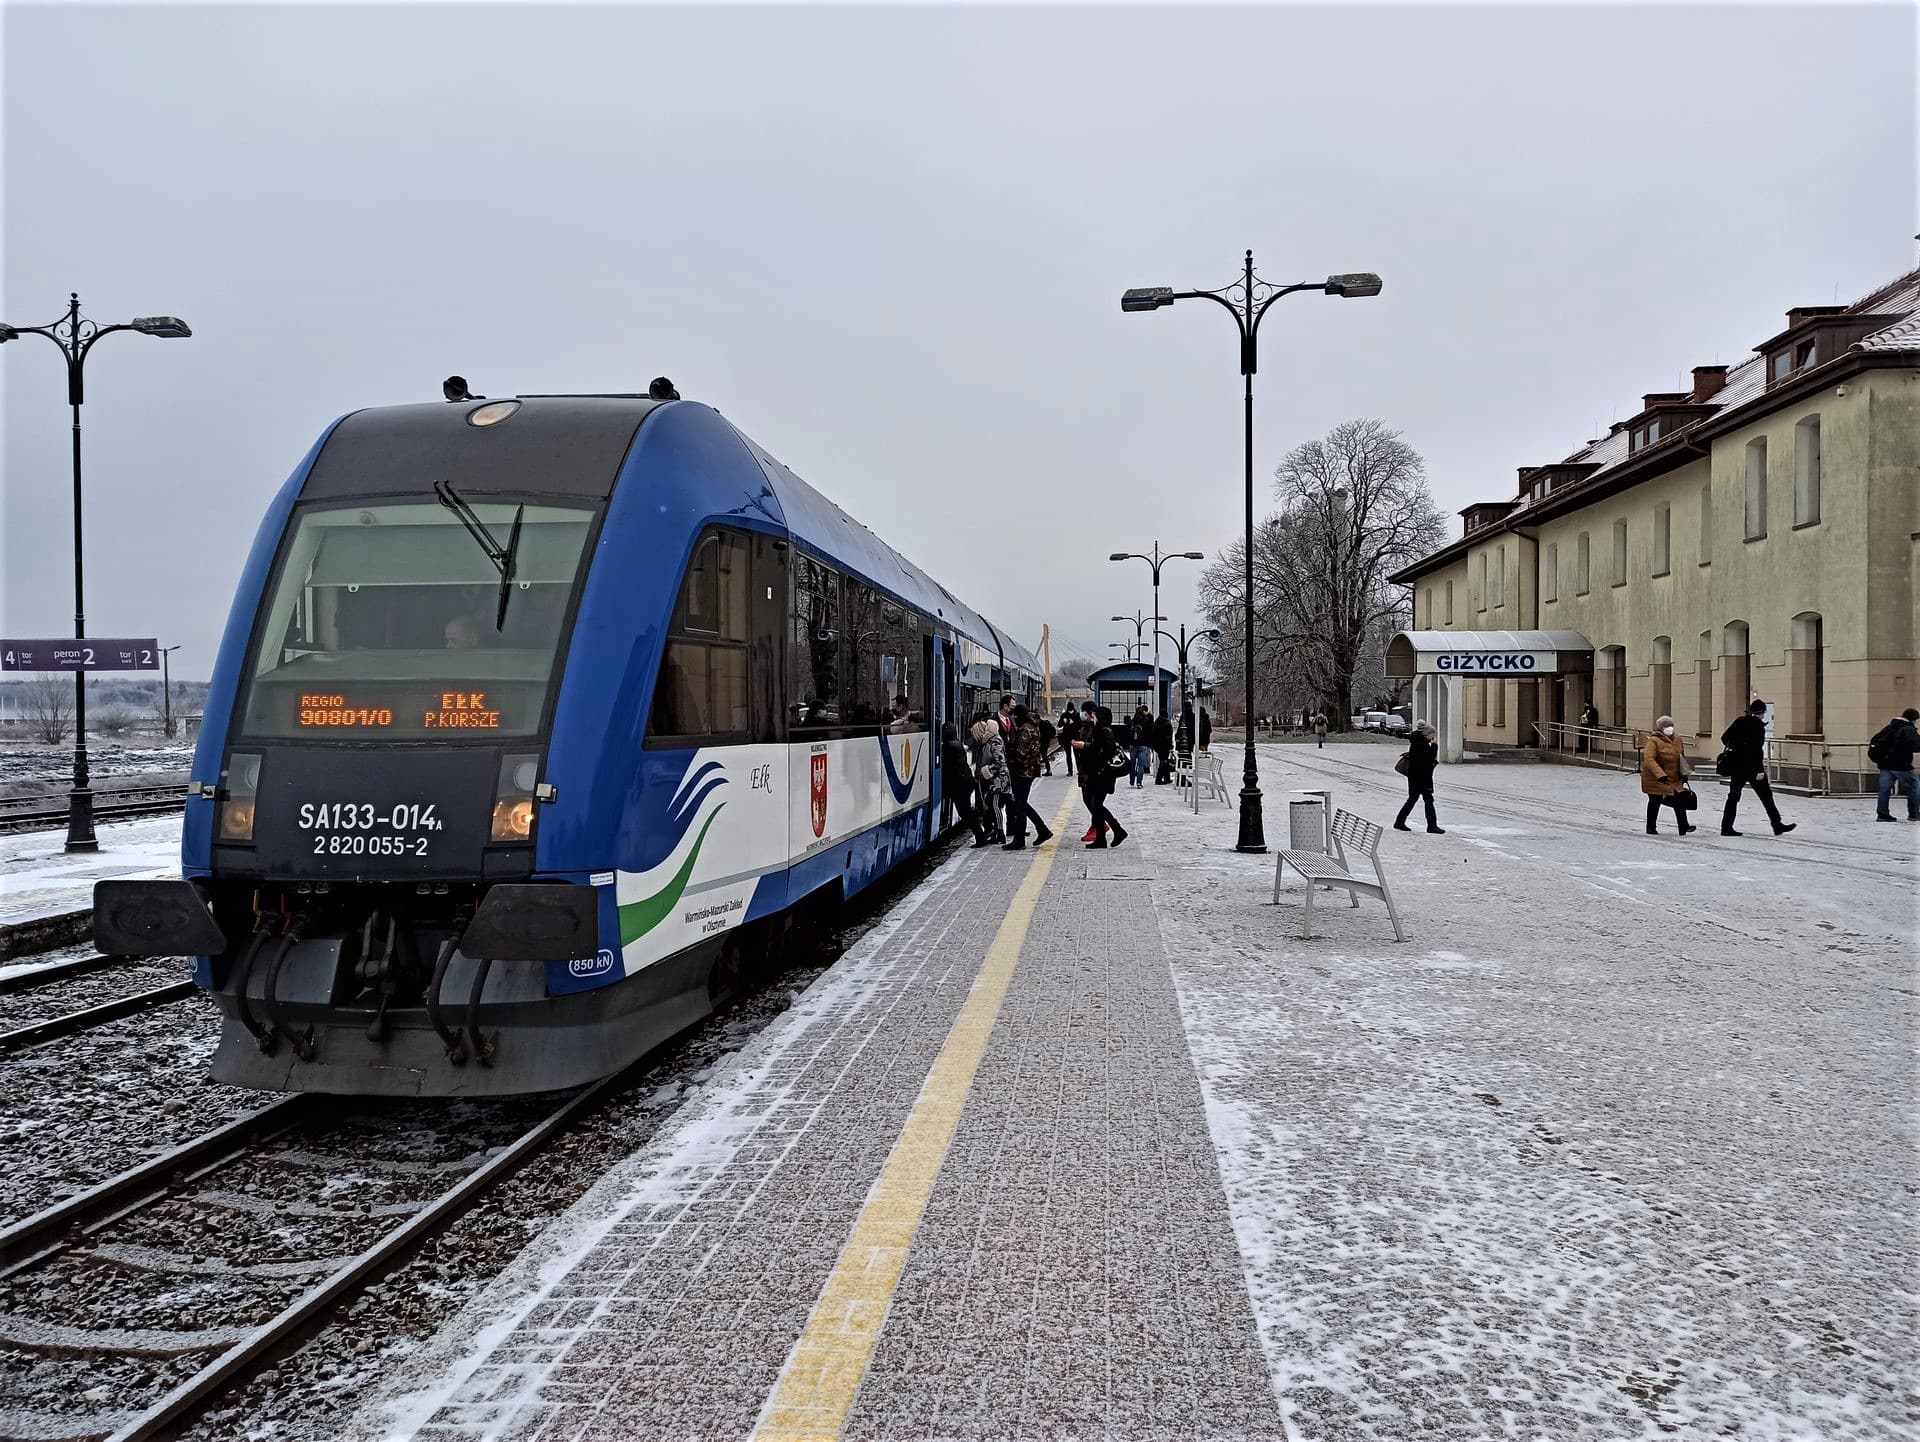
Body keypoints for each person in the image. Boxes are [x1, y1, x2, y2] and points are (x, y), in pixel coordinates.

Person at [1720, 698, 1794, 837]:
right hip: (1752, 768)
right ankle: (1777, 825)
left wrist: (1736, 747)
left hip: (1737, 766)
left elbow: (1724, 738)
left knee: (1733, 797)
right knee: (1766, 796)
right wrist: (1759, 770)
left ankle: (1726, 827)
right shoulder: (1758, 727)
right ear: (1761, 713)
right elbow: (1756, 751)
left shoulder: (1739, 721)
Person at [1071, 703, 1127, 848]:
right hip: (1098, 773)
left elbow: (1106, 750)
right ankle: (1103, 838)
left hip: (1104, 774)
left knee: (1096, 805)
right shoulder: (1099, 730)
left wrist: (1086, 746)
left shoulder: (1105, 731)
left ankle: (1117, 830)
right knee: (1096, 806)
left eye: (1094, 716)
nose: (1091, 718)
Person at [1002, 705, 1054, 850]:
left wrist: (1009, 755)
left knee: (1020, 805)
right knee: (1021, 804)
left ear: (1019, 715)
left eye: (1014, 716)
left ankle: (1020, 840)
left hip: (1022, 771)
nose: (1013, 718)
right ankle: (1042, 830)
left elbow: (1021, 753)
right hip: (1028, 770)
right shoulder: (1033, 726)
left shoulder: (1024, 729)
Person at [1640, 715, 1694, 836]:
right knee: (1655, 800)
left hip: (1674, 777)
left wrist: (1684, 773)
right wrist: (1660, 774)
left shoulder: (1677, 739)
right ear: (1660, 728)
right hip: (1655, 778)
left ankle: (1684, 827)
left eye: (1671, 725)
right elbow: (1649, 759)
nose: (1669, 728)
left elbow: (1681, 758)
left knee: (1679, 800)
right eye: (1666, 726)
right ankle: (1651, 827)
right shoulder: (1653, 740)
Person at [942, 722, 993, 847]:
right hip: (966, 781)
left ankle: (980, 837)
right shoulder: (957, 744)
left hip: (959, 784)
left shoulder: (947, 747)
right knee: (966, 811)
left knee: (965, 812)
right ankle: (981, 835)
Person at [1869, 706, 1920, 821]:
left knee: (1884, 790)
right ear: (1913, 719)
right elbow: (1917, 745)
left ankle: (1882, 814)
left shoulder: (1890, 727)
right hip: (1901, 764)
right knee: (1915, 785)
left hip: (1885, 764)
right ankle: (1914, 813)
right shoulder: (1907, 728)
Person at [1393, 720, 1445, 833]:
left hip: (1415, 776)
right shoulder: (1422, 744)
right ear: (1427, 733)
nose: (1434, 736)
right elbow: (1428, 760)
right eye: (1433, 733)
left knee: (1413, 799)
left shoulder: (1417, 742)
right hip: (1421, 777)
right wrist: (1434, 746)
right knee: (1428, 800)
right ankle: (1432, 826)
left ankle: (1400, 822)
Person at [971, 718, 1010, 842]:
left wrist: (987, 770)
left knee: (995, 806)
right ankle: (996, 833)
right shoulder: (988, 742)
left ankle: (1000, 833)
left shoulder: (995, 742)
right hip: (995, 779)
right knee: (991, 805)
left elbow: (1000, 762)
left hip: (999, 780)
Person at [1128, 705, 1153, 788]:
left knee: (1132, 764)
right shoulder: (1147, 721)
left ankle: (1132, 780)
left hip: (1133, 745)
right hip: (1144, 745)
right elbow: (1151, 732)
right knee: (1141, 765)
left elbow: (1127, 732)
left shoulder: (1132, 722)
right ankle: (1139, 783)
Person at [1153, 709, 1176, 784]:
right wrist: (1170, 746)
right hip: (1165, 745)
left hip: (1158, 745)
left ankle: (1166, 778)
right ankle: (1159, 779)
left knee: (1163, 761)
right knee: (1164, 762)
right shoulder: (1167, 724)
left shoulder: (1156, 722)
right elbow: (1168, 737)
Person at [1057, 705, 1078, 777]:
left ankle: (1079, 769)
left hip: (1075, 737)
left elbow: (1080, 725)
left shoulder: (1077, 715)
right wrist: (1063, 721)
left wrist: (1073, 723)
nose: (1070, 711)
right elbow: (1059, 725)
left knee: (1077, 755)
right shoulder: (1064, 715)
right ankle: (1070, 771)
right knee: (1068, 755)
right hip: (1066, 737)